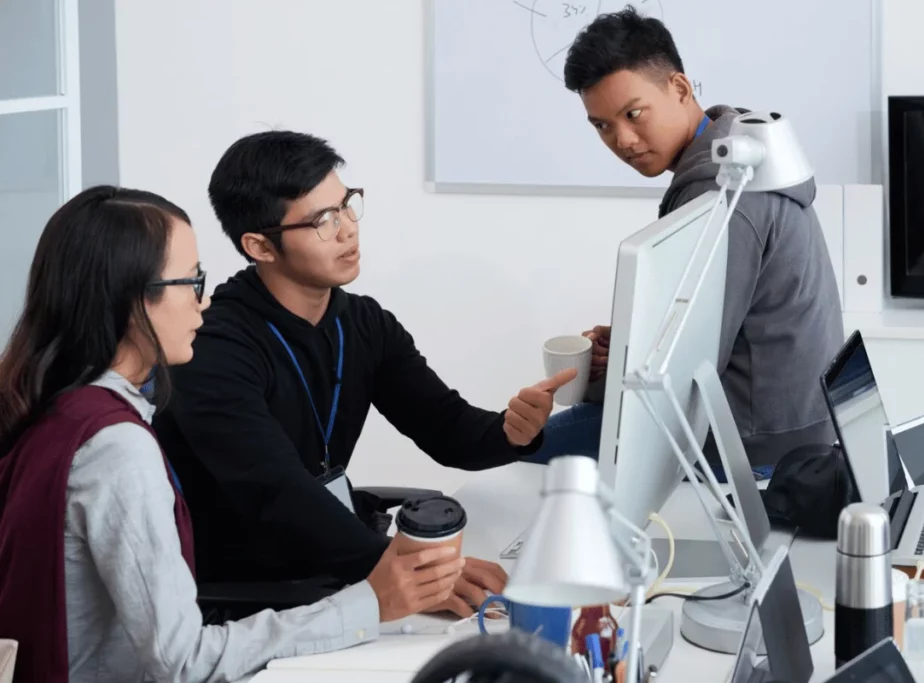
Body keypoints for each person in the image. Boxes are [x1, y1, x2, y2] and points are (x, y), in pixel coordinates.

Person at [0, 186, 466, 683]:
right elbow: (183, 661)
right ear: (132, 300)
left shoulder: (56, 404)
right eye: (190, 280)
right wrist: (370, 604)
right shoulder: (117, 447)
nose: (204, 300)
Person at [153, 131, 574, 619]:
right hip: (253, 595)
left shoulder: (364, 324)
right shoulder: (214, 349)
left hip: (331, 565)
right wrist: (406, 571)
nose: (348, 229)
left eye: (347, 205)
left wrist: (511, 430)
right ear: (260, 246)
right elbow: (276, 493)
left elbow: (448, 429)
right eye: (322, 221)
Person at [529, 7, 844, 471]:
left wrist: (611, 368)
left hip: (754, 444)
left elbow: (679, 375)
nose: (623, 139)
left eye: (633, 114)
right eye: (602, 126)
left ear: (679, 88)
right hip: (793, 422)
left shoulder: (722, 190)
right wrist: (626, 347)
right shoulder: (738, 144)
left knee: (526, 450)